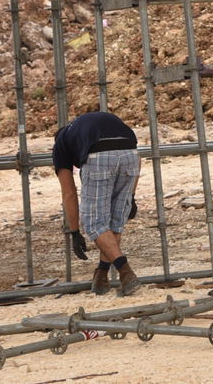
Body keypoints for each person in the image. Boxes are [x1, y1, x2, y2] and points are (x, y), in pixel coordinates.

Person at [52, 111, 142, 296]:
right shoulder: (85, 126)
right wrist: (131, 196)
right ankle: (101, 275)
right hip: (131, 154)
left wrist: (75, 231)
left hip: (99, 156)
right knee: (115, 220)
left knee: (94, 223)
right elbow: (138, 158)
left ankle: (125, 272)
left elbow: (69, 193)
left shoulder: (61, 144)